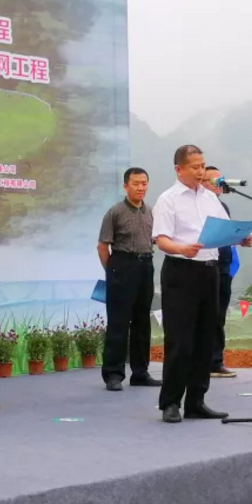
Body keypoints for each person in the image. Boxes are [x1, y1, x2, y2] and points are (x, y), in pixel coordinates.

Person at [151, 145, 231, 423]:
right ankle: (170, 402)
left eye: (202, 166)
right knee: (180, 340)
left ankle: (196, 401)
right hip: (181, 271)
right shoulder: (168, 199)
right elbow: (162, 240)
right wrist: (182, 248)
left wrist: (240, 237)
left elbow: (224, 229)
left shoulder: (210, 198)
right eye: (195, 167)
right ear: (179, 169)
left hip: (210, 271)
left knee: (204, 339)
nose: (200, 172)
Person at [97, 167, 161, 392]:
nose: (140, 188)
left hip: (146, 266)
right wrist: (112, 271)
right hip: (122, 265)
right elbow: (102, 246)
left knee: (143, 322)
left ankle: (140, 373)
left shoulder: (151, 212)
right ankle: (113, 374)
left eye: (144, 183)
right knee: (119, 322)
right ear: (126, 186)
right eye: (136, 183)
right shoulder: (115, 212)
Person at [203, 166, 252, 378]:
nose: (219, 185)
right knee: (203, 316)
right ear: (202, 183)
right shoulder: (198, 206)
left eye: (220, 180)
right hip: (204, 265)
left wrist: (240, 239)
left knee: (219, 315)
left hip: (223, 266)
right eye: (213, 181)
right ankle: (198, 362)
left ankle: (215, 361)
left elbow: (224, 236)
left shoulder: (222, 206)